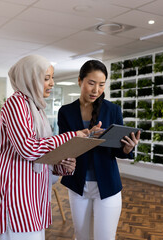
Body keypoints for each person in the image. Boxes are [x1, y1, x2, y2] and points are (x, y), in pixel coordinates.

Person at [0, 55, 89, 240]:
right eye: (46, 78)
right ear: (30, 78)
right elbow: (28, 149)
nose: (52, 83)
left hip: (33, 193)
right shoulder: (16, 103)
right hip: (16, 193)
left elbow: (43, 152)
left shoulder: (36, 108)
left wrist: (62, 163)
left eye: (52, 77)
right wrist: (71, 136)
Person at [58, 60, 141, 240]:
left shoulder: (113, 110)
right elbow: (64, 148)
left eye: (101, 85)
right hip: (77, 184)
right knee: (82, 236)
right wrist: (87, 138)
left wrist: (127, 148)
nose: (96, 90)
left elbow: (118, 150)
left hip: (107, 185)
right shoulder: (65, 112)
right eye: (91, 83)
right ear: (80, 81)